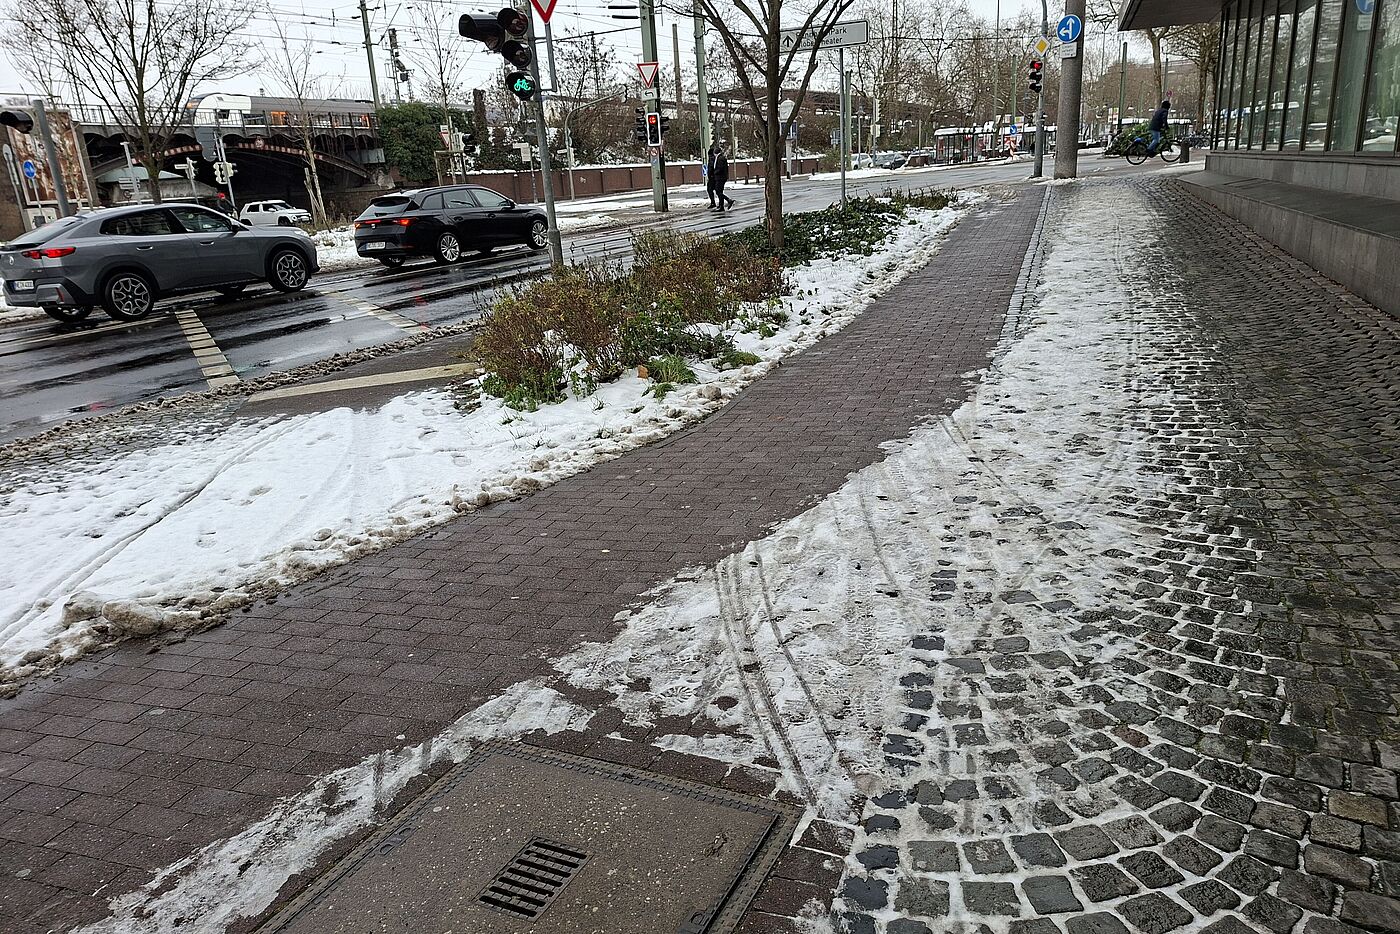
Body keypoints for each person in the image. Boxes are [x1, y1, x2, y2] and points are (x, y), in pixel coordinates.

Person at [708, 142, 733, 212]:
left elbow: (720, 168)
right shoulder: (718, 158)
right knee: (719, 191)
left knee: (718, 191)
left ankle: (728, 200)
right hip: (719, 177)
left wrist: (714, 173)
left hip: (720, 178)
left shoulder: (720, 158)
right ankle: (721, 206)